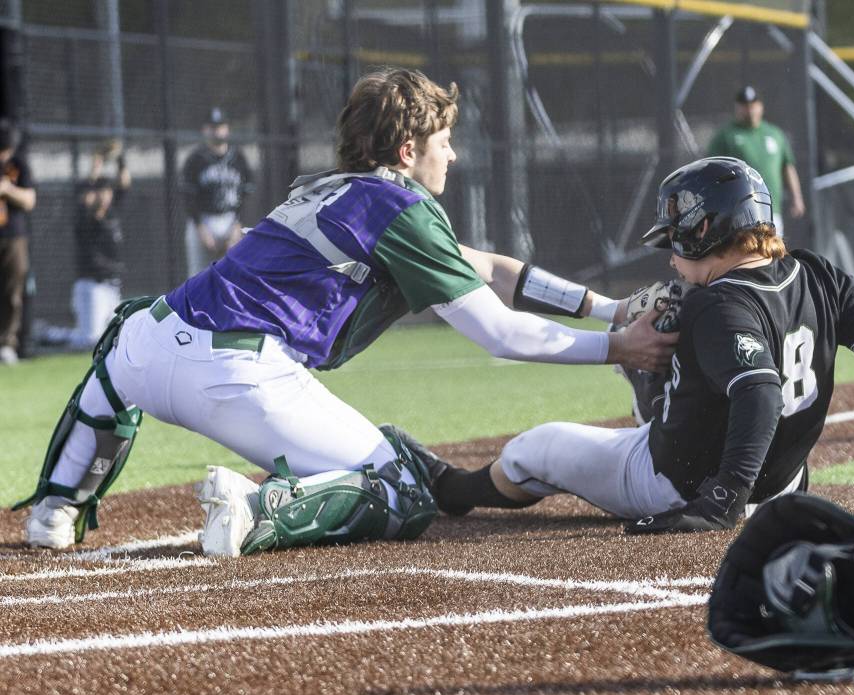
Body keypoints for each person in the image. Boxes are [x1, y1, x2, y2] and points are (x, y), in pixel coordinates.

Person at [18, 68, 677, 556]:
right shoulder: (405, 211)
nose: (451, 152)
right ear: (404, 150)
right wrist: (622, 347)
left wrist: (610, 307)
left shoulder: (326, 187)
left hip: (153, 336)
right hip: (237, 372)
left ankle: (55, 507)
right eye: (442, 139)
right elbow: (501, 332)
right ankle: (257, 507)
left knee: (119, 349)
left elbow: (494, 268)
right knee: (400, 489)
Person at [428, 157, 854, 532]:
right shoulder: (819, 274)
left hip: (682, 478)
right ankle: (651, 393)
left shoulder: (712, 302)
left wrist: (720, 501)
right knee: (681, 346)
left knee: (540, 446)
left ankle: (448, 489)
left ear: (705, 228)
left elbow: (758, 394)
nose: (670, 251)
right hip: (782, 479)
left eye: (676, 235)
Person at [708, 86, 804, 237]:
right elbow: (712, 171)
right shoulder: (726, 136)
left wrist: (796, 197)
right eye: (744, 106)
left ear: (761, 106)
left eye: (753, 105)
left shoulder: (775, 133)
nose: (749, 110)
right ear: (737, 108)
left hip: (772, 210)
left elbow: (787, 167)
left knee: (773, 252)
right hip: (740, 211)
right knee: (748, 253)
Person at [67, 141, 131, 349]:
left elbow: (124, 183)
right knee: (90, 340)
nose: (104, 194)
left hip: (112, 287)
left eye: (106, 190)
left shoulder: (112, 213)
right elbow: (86, 195)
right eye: (99, 190)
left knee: (114, 338)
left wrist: (120, 160)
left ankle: (56, 334)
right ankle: (51, 336)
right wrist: (97, 163)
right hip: (91, 287)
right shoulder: (86, 217)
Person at [181, 107, 253, 276]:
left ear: (227, 128)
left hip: (231, 219)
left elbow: (246, 195)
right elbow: (189, 198)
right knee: (197, 277)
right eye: (212, 127)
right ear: (204, 130)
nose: (217, 131)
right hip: (203, 220)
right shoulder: (195, 159)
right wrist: (201, 228)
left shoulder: (238, 158)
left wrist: (237, 225)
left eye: (220, 126)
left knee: (234, 275)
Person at [0, 119, 37, 365]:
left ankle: (7, 343)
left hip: (12, 237)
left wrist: (6, 190)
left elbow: (29, 200)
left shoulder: (18, 164)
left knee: (12, 291)